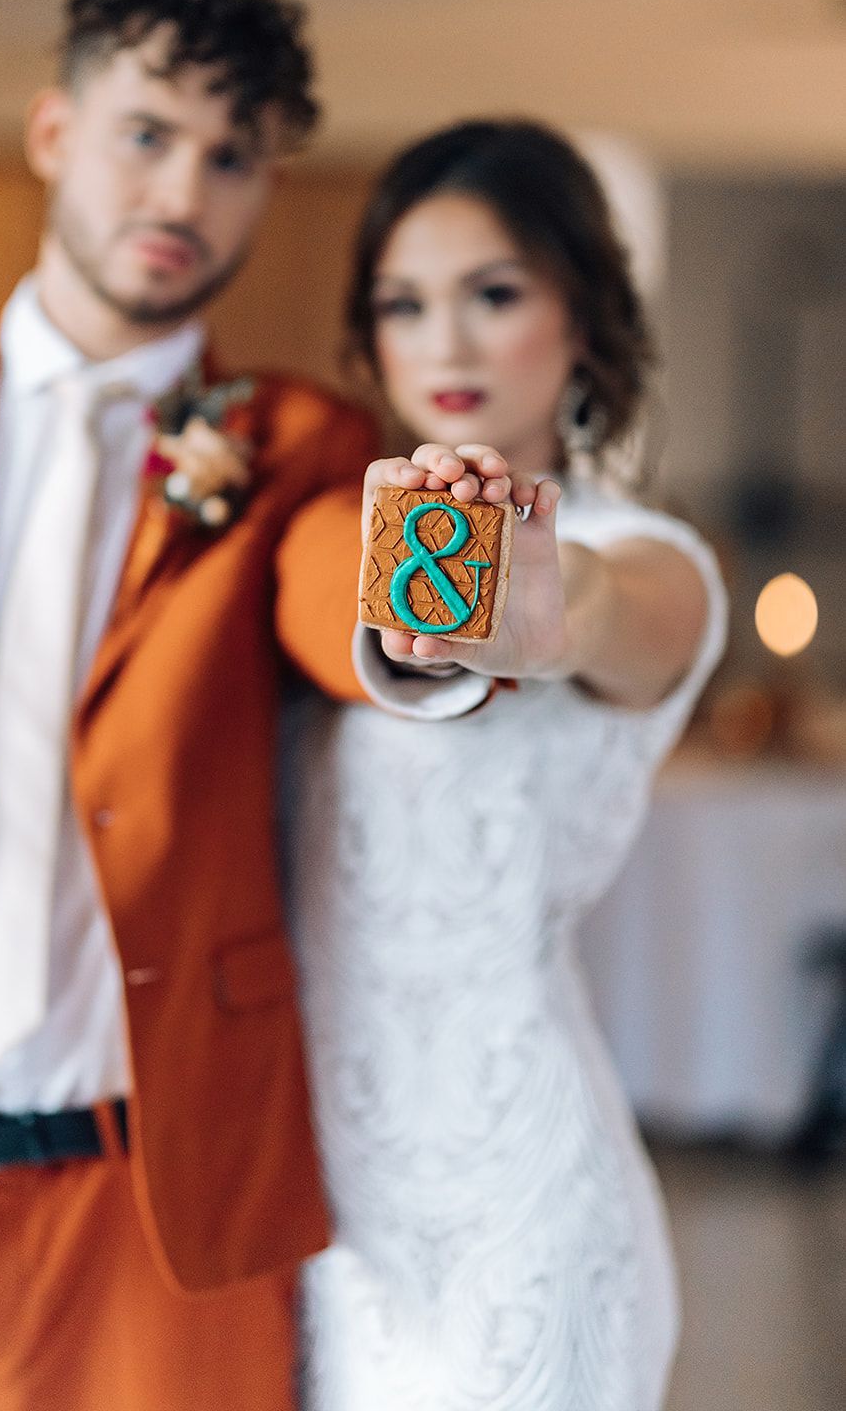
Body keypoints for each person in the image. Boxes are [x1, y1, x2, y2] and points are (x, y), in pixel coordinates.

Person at [0, 0, 480, 1411]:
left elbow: (353, 608)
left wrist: (444, 609)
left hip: (152, 1214)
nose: (180, 194)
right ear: (53, 131)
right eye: (147, 134)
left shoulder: (302, 448)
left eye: (232, 159)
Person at [288, 120, 729, 1411]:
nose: (448, 343)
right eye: (404, 304)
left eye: (494, 294)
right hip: (321, 1220)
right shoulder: (335, 549)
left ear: (580, 315)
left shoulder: (652, 564)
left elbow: (602, 610)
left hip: (517, 1217)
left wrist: (546, 619)